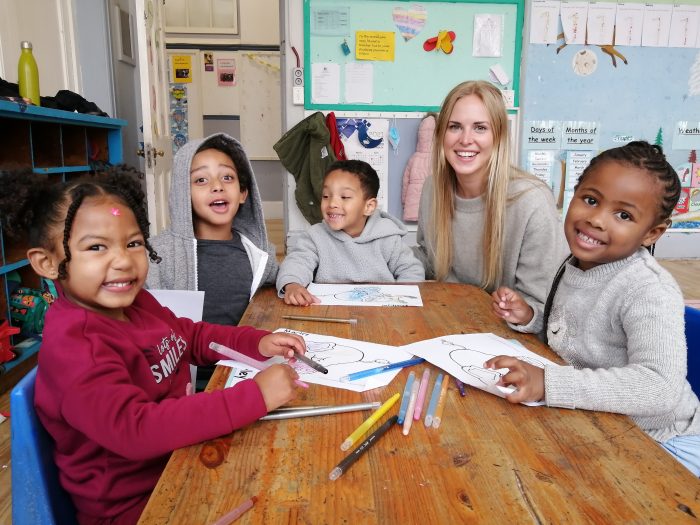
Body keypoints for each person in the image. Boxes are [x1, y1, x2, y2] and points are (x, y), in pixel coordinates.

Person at [0, 167, 306, 525]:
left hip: (178, 460)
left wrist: (257, 342)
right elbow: (136, 429)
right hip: (138, 507)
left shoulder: (135, 304)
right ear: (48, 263)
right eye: (96, 247)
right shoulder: (76, 347)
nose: (123, 261)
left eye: (133, 243)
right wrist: (254, 397)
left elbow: (189, 336)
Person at [488, 141, 700, 476]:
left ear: (652, 232)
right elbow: (579, 337)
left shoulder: (648, 289)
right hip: (600, 422)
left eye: (624, 215)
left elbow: (659, 387)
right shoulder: (575, 263)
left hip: (663, 441)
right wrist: (531, 318)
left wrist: (549, 383)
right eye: (590, 200)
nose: (597, 219)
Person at [414, 80, 567, 314]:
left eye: (480, 128)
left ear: (499, 136)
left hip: (510, 336)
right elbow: (430, 263)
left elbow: (540, 308)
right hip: (449, 322)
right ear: (441, 134)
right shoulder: (432, 189)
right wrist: (378, 248)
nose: (465, 139)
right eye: (454, 126)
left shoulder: (532, 201)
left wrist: (518, 311)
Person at [146, 133, 278, 388]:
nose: (217, 186)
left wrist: (291, 283)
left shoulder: (256, 250)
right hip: (183, 382)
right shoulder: (157, 254)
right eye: (201, 179)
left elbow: (277, 275)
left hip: (243, 370)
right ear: (183, 194)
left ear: (242, 193)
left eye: (227, 177)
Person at [277, 159, 425, 306]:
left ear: (369, 206)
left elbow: (411, 270)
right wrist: (292, 284)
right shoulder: (315, 237)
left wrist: (401, 296)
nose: (332, 204)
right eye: (326, 196)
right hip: (328, 311)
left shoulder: (388, 238)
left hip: (381, 313)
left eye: (345, 197)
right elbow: (297, 262)